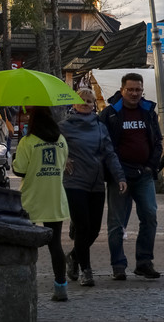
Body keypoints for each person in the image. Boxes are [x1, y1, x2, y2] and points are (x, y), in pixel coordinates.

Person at [59, 88, 126, 287]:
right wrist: (63, 158)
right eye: (81, 100)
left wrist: (119, 177)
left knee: (95, 230)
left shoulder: (100, 127)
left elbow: (110, 154)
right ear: (73, 103)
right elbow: (52, 146)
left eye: (89, 101)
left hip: (96, 183)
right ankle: (86, 271)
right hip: (74, 182)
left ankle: (73, 256)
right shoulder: (64, 126)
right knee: (82, 226)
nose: (86, 103)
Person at [99, 72, 163, 281]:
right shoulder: (110, 114)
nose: (134, 94)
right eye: (130, 90)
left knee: (150, 217)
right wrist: (115, 172)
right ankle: (118, 264)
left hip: (143, 173)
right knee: (117, 224)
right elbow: (103, 145)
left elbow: (157, 141)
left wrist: (151, 166)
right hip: (120, 176)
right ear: (122, 90)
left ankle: (144, 262)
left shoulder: (148, 112)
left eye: (138, 90)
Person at [13, 106, 70, 302]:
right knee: (55, 245)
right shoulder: (61, 141)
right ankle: (60, 287)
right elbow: (62, 166)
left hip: (31, 198)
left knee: (26, 245)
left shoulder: (27, 142)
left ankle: (22, 286)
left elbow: (19, 171)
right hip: (55, 197)